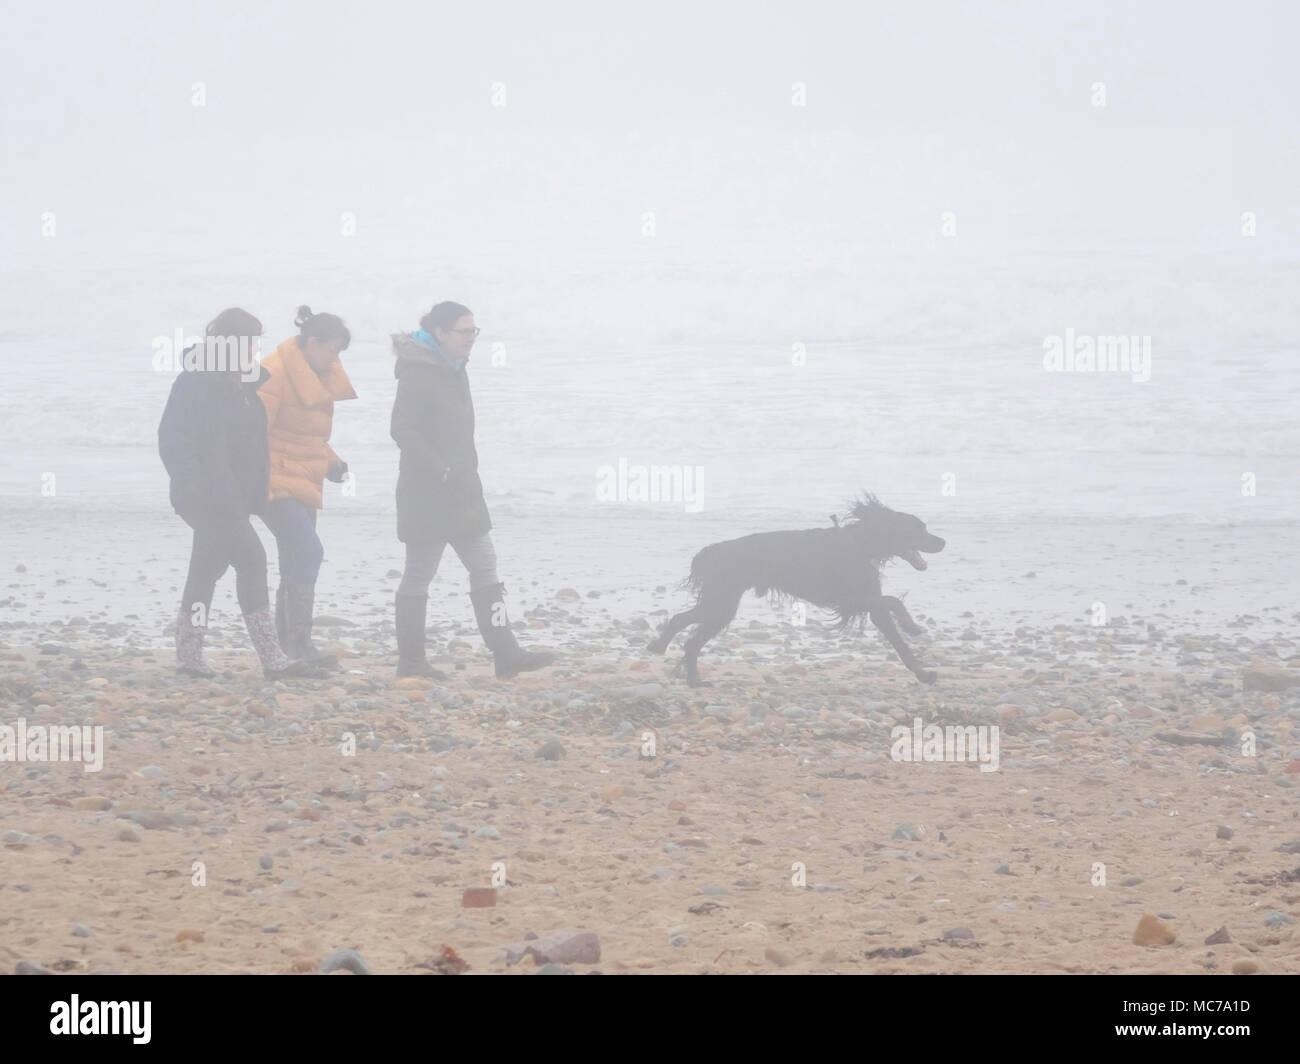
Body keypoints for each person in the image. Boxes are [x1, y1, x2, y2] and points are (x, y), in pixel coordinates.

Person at [390, 301, 555, 679]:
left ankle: (507, 654)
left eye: (474, 331)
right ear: (441, 334)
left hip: (463, 489)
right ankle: (411, 661)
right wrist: (440, 468)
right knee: (418, 574)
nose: (471, 339)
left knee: (484, 566)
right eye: (465, 331)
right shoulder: (418, 372)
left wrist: (461, 472)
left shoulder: (454, 368)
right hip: (427, 493)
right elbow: (401, 429)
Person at [158, 308, 318, 679]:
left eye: (254, 343)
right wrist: (197, 487)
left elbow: (250, 446)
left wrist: (257, 491)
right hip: (206, 499)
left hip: (236, 498)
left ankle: (188, 657)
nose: (252, 352)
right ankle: (272, 659)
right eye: (247, 343)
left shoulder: (244, 385)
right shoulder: (195, 382)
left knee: (206, 569)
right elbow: (173, 441)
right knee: (252, 559)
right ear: (225, 343)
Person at [257, 305, 356, 664]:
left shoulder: (316, 375)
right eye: (332, 350)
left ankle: (289, 646)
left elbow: (303, 436)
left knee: (294, 558)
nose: (335, 359)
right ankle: (298, 644)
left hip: (304, 479)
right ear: (312, 343)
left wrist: (332, 462)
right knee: (307, 552)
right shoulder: (273, 372)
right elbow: (253, 433)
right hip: (273, 478)